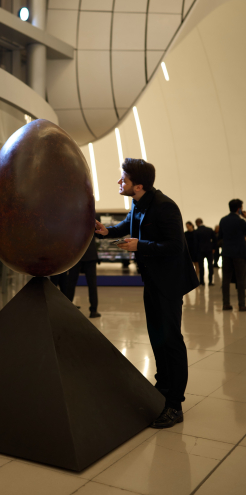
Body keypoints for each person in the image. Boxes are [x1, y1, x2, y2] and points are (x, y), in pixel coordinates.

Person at [95, 158, 198, 429]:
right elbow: (127, 225)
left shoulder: (165, 206)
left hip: (169, 284)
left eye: (124, 179)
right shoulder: (138, 203)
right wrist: (106, 231)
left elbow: (175, 246)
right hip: (152, 281)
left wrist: (140, 245)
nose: (120, 182)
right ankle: (162, 388)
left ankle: (174, 405)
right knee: (157, 337)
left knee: (171, 341)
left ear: (138, 185)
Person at [218, 199, 246, 312]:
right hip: (239, 253)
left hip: (226, 252)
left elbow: (220, 236)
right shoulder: (241, 221)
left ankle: (226, 303)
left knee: (226, 279)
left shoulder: (223, 220)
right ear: (239, 209)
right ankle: (242, 304)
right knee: (241, 279)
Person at [66, 235, 101, 318]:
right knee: (92, 284)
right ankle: (93, 311)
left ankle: (67, 309)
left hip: (76, 253)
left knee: (71, 283)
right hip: (90, 254)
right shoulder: (92, 225)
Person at [195, 218, 215, 286]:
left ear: (197, 223)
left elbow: (195, 243)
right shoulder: (209, 229)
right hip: (209, 250)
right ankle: (210, 281)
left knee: (201, 266)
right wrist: (213, 248)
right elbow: (215, 239)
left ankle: (202, 281)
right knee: (210, 266)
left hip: (200, 250)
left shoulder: (197, 231)